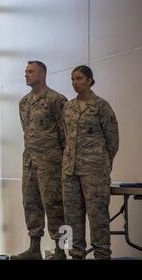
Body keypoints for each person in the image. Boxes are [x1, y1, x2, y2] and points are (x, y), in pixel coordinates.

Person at [11, 61, 67, 260]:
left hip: (52, 165)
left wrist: (63, 165)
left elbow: (65, 136)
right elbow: (27, 132)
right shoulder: (24, 102)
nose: (26, 74)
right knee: (30, 203)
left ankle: (62, 250)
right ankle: (34, 248)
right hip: (30, 163)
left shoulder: (57, 100)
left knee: (56, 207)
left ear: (42, 74)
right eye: (25, 71)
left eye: (30, 71)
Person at [62, 65, 119, 260]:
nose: (74, 82)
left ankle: (102, 255)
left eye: (78, 78)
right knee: (71, 217)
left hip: (94, 171)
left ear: (89, 80)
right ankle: (75, 254)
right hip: (70, 171)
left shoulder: (101, 106)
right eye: (72, 79)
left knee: (98, 216)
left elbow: (113, 140)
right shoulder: (68, 107)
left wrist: (102, 163)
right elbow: (65, 138)